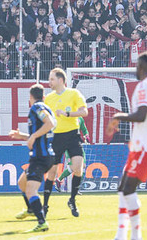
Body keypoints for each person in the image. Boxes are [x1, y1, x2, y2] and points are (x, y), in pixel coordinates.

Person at [106, 51, 147, 240]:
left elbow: (141, 115)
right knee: (123, 187)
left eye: (136, 66)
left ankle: (135, 235)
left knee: (128, 189)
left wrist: (118, 116)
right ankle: (120, 233)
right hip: (145, 143)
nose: (135, 69)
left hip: (146, 146)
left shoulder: (145, 85)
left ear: (141, 66)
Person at [8, 83, 56, 233]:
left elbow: (51, 123)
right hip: (43, 155)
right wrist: (23, 136)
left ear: (30, 97)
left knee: (30, 190)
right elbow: (42, 133)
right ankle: (30, 208)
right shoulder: (44, 107)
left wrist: (33, 136)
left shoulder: (37, 107)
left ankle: (42, 222)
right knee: (22, 183)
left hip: (41, 156)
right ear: (44, 96)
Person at [42, 67, 88, 217]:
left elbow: (84, 112)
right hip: (57, 137)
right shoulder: (48, 98)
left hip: (73, 135)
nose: (49, 82)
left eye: (52, 79)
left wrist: (67, 114)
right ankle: (45, 205)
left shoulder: (74, 94)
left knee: (78, 167)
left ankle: (72, 200)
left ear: (61, 80)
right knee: (52, 172)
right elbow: (44, 117)